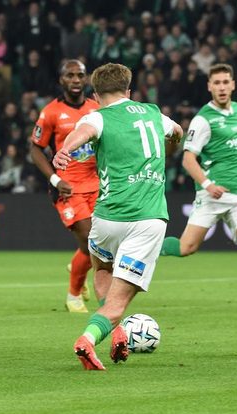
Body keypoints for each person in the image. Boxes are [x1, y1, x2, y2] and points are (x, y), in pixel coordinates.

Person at [53, 63, 183, 370]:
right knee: (117, 304)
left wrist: (65, 150)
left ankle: (118, 331)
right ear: (129, 90)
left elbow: (82, 132)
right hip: (147, 220)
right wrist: (170, 146)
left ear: (96, 95)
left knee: (101, 269)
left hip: (107, 218)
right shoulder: (152, 112)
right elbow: (176, 131)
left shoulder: (96, 116)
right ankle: (86, 340)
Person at [159, 63, 237, 311]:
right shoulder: (203, 120)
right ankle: (143, 247)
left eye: (226, 82)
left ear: (233, 84)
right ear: (209, 87)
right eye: (216, 83)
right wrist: (208, 184)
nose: (222, 87)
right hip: (211, 195)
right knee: (186, 248)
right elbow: (187, 159)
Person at [30, 60, 100, 313]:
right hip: (67, 187)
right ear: (61, 80)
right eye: (70, 75)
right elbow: (36, 149)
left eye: (80, 75)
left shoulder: (97, 109)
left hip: (97, 185)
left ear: (87, 79)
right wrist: (55, 179)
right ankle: (73, 295)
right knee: (90, 240)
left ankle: (78, 265)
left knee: (99, 243)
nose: (75, 79)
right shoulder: (50, 112)